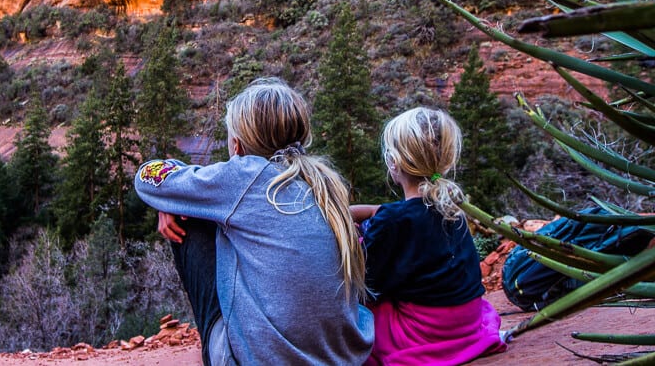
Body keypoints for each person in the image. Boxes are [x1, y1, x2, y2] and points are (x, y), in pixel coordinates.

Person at [135, 77, 374, 365]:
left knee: (195, 221)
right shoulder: (323, 182)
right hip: (344, 358)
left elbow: (148, 178)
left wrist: (173, 199)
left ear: (237, 145)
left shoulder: (244, 175)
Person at [350, 107, 507, 366]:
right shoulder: (451, 209)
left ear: (394, 164)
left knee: (358, 318)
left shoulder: (393, 222)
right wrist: (373, 211)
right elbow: (408, 216)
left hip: (425, 334)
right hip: (466, 324)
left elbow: (367, 288)